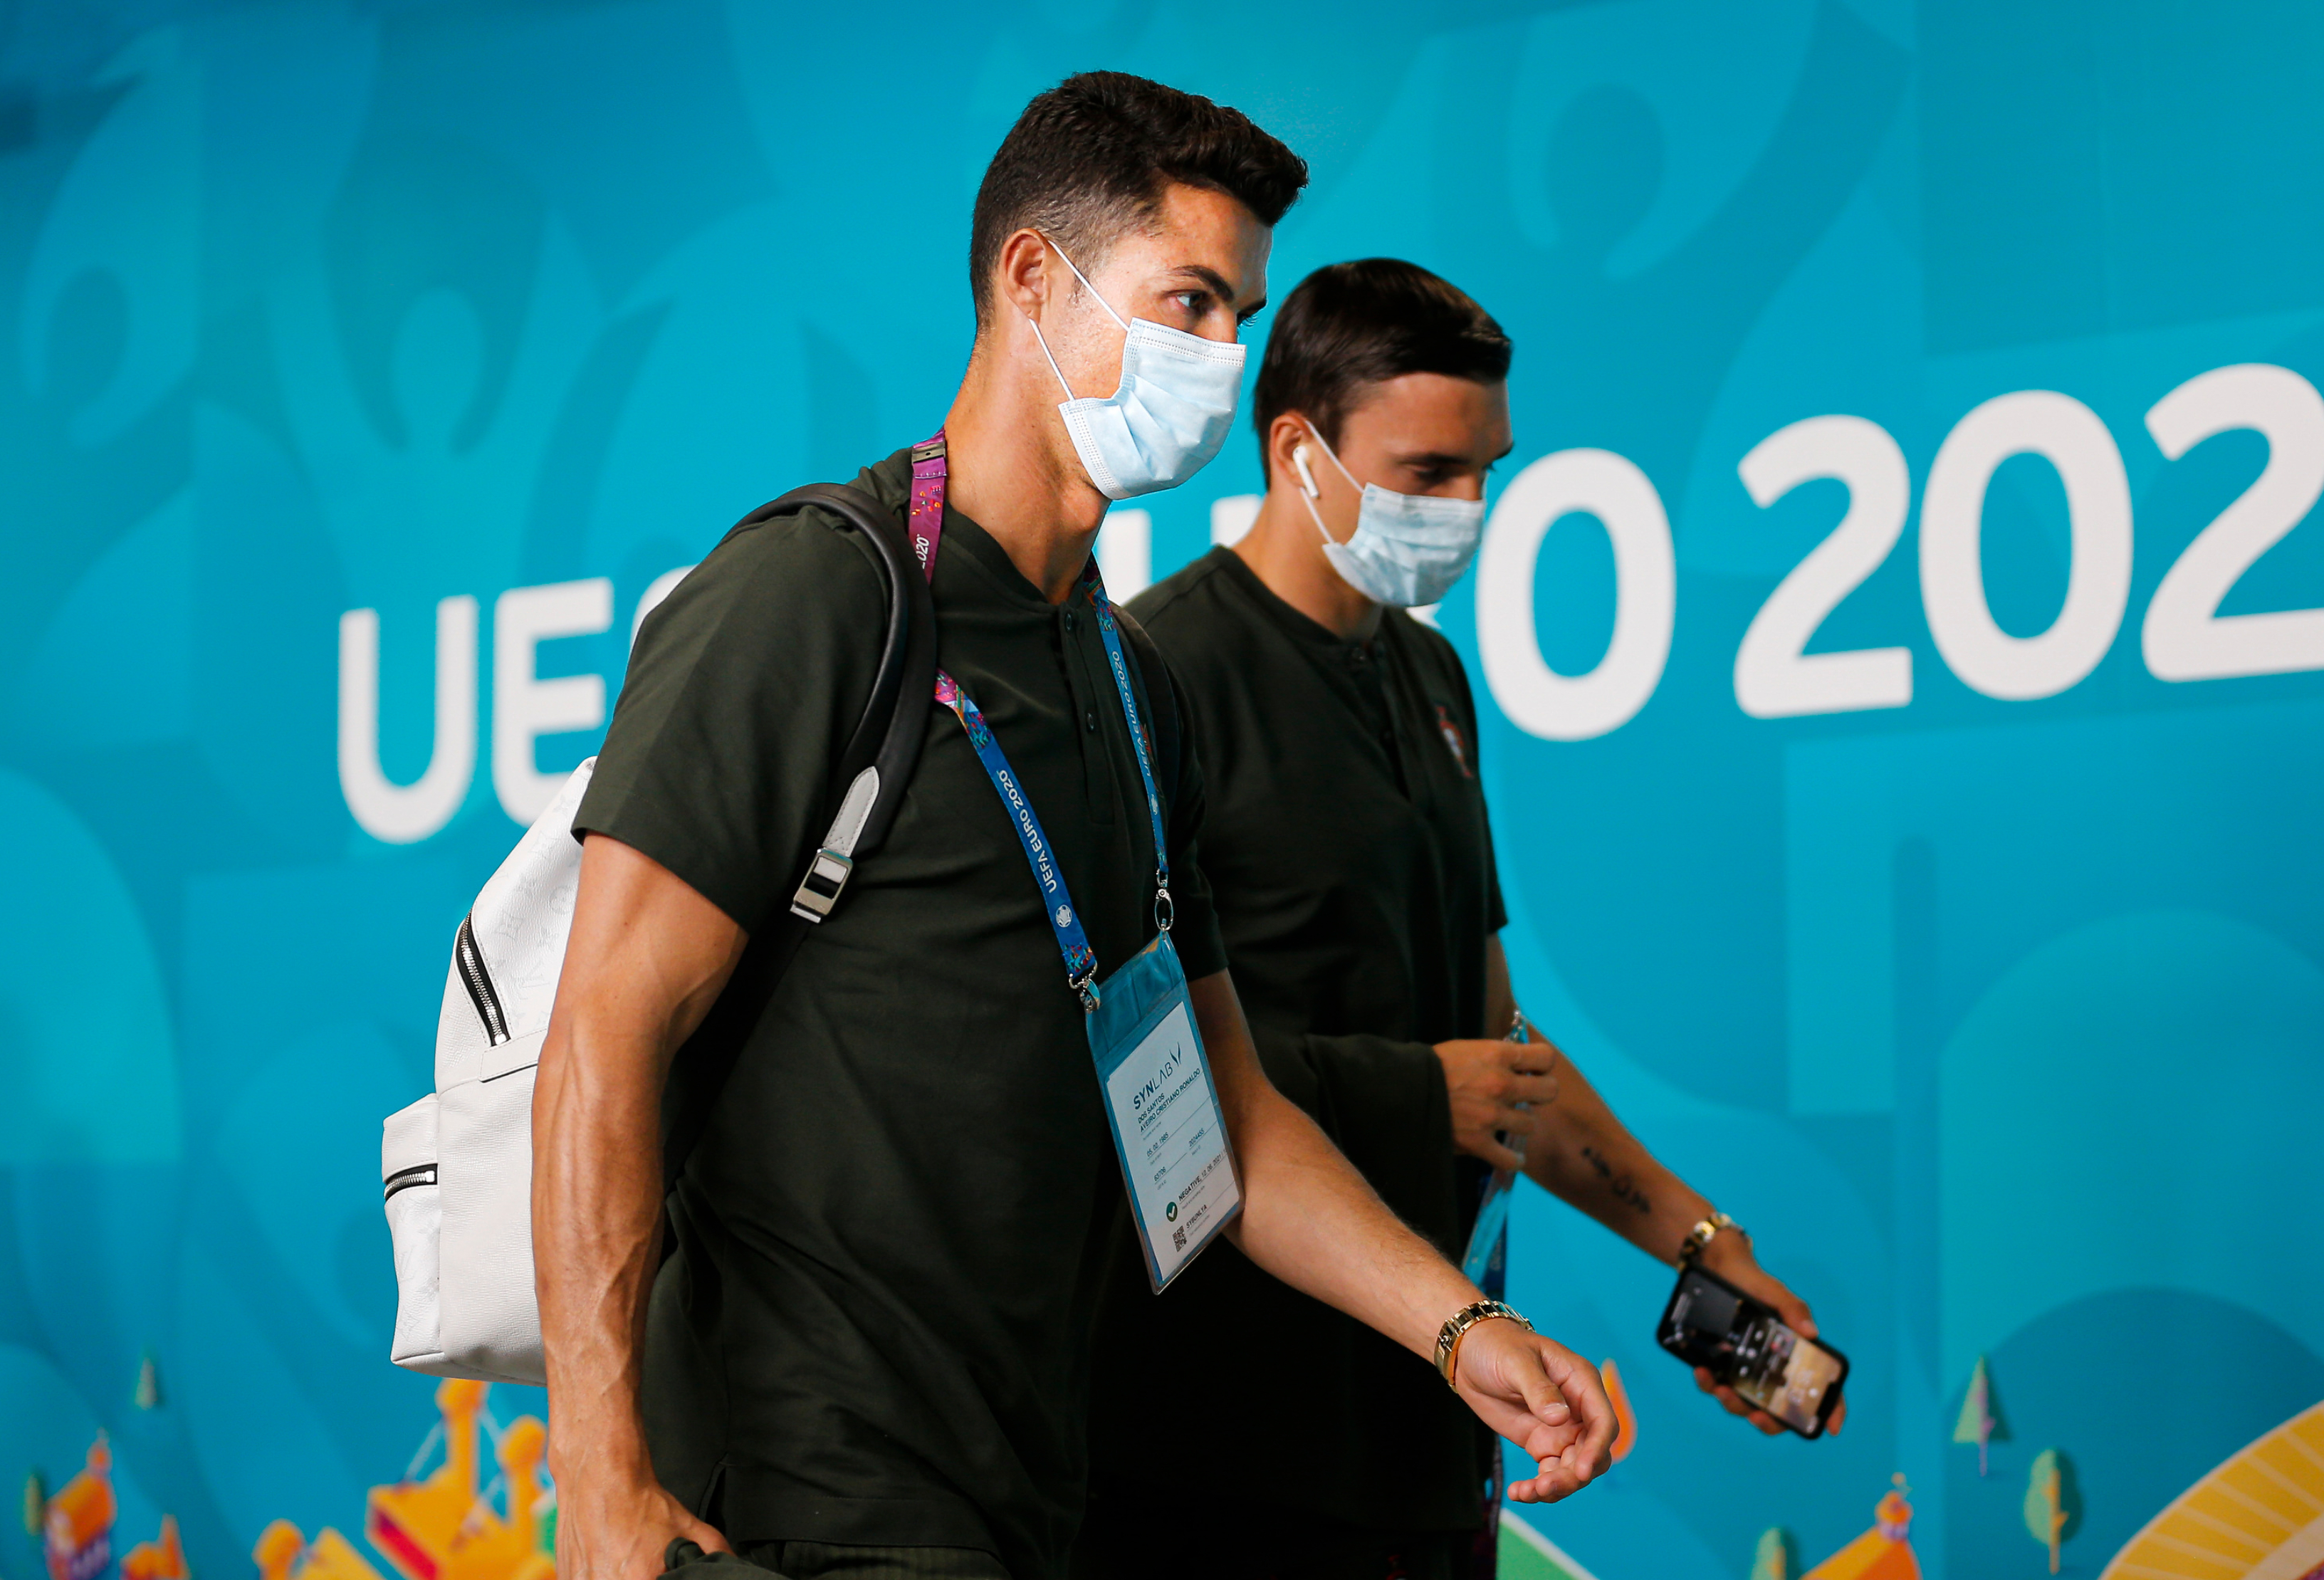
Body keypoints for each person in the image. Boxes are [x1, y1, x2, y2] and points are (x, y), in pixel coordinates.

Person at [530, 81, 1616, 1580]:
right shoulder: (816, 595)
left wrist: (1459, 1328)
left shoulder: (1134, 682)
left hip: (1045, 1499)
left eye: (1239, 315)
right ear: (1032, 277)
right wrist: (598, 1478)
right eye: (1189, 303)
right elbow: (604, 1035)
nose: (1221, 362)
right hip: (806, 1496)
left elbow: (1221, 1114)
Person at [1081, 259, 1842, 1580]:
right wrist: (1411, 1093)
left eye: (1487, 472)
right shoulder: (1155, 677)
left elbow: (1502, 1063)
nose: (1466, 511)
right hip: (1221, 1440)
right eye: (1427, 473)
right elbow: (1124, 1076)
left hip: (1432, 1405)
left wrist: (1705, 1245)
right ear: (1296, 450)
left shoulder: (1429, 675)